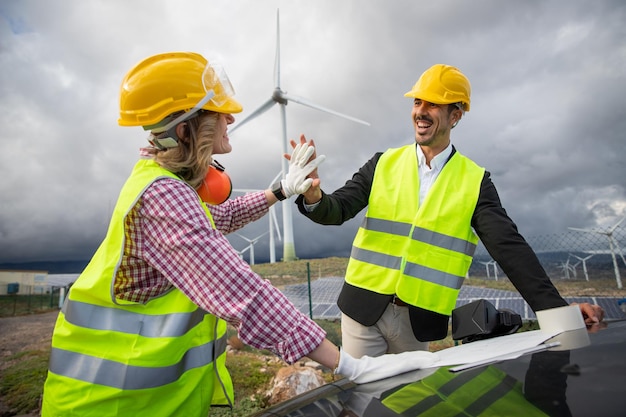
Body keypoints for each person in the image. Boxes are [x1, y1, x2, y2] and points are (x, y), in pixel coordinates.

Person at [40, 52, 439, 416]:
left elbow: (218, 217)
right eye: (219, 113)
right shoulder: (163, 197)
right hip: (112, 405)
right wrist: (348, 363)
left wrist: (281, 190)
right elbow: (242, 292)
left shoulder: (161, 183)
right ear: (186, 130)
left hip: (139, 401)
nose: (231, 119)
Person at [294, 64, 605, 358]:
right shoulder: (383, 163)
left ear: (455, 116)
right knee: (359, 404)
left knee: (404, 404)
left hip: (417, 321)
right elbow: (337, 209)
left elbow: (509, 247)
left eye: (433, 105)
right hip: (362, 310)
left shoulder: (475, 182)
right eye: (418, 102)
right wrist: (314, 196)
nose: (421, 112)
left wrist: (557, 311)